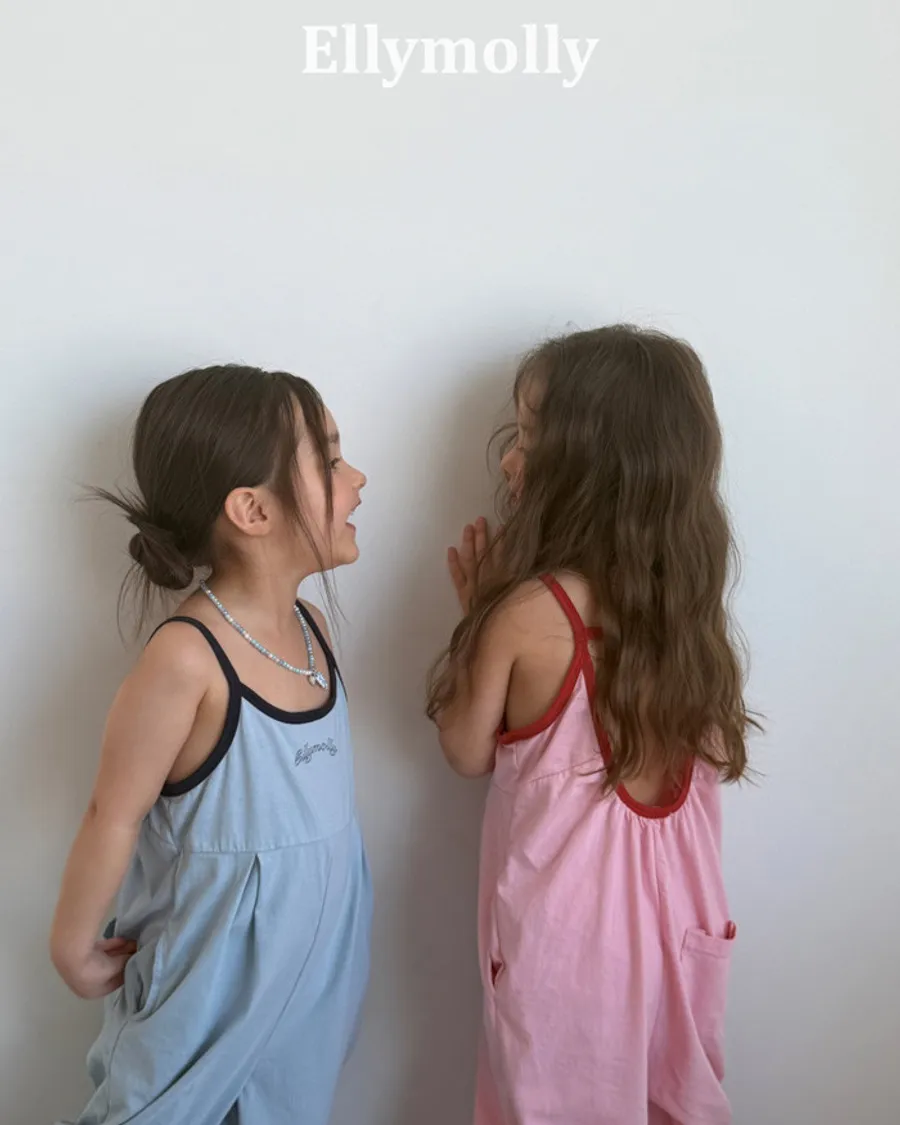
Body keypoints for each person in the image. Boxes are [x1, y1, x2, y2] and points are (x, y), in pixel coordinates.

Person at [428, 325, 755, 1125]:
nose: (510, 461)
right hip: (681, 945)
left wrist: (478, 620)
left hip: (565, 954)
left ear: (587, 464)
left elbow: (465, 749)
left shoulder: (529, 614)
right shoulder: (688, 620)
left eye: (527, 438)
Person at [50, 364, 371, 1125]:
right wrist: (74, 946)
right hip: (210, 977)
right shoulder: (189, 659)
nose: (357, 478)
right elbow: (112, 814)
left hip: (313, 978)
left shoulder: (315, 632)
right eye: (330, 460)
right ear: (252, 509)